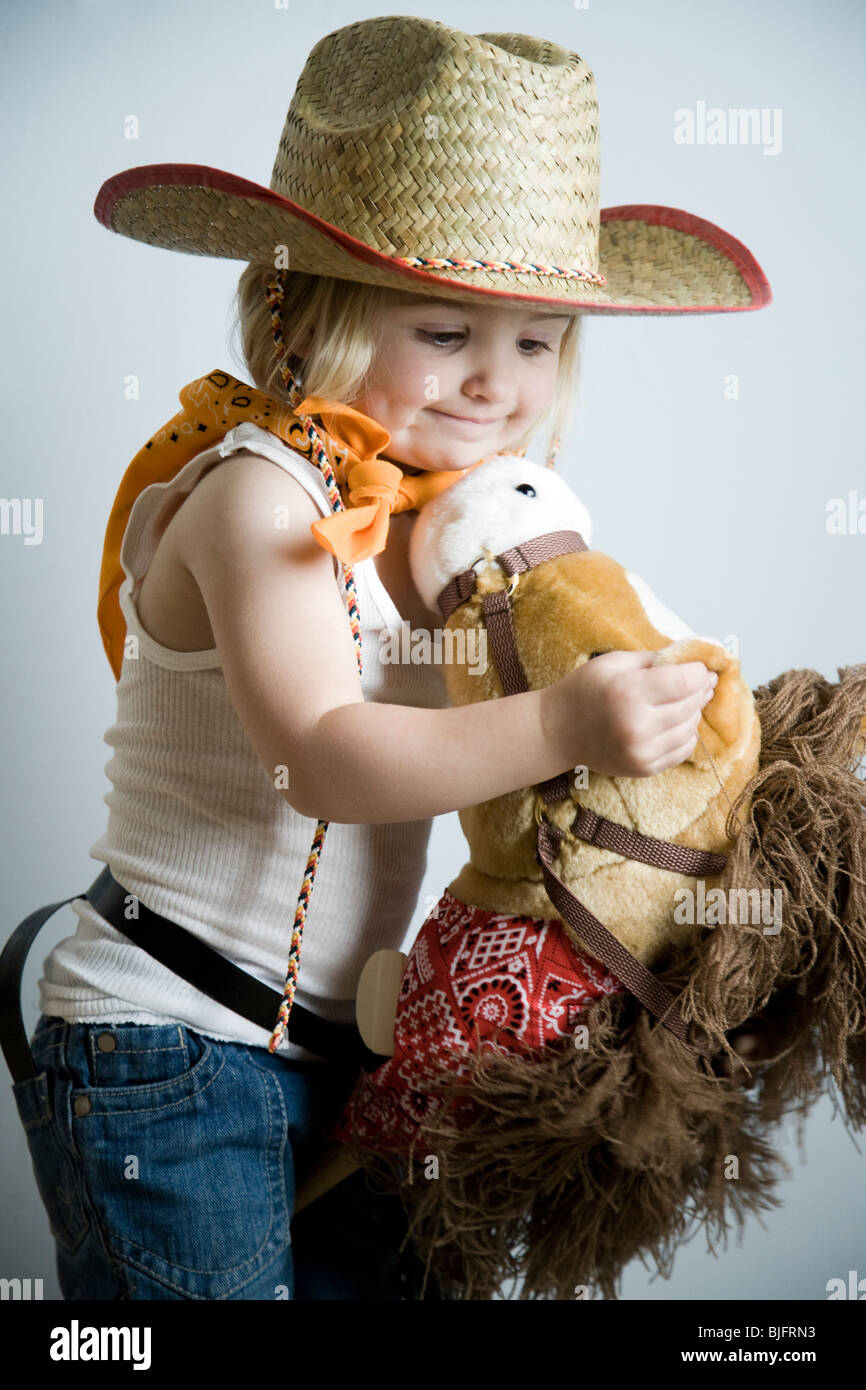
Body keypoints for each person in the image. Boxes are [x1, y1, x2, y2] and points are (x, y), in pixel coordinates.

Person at [17, 15, 774, 1300]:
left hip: (352, 1054)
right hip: (172, 1048)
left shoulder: (456, 521)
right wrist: (573, 724)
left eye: (532, 341)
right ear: (300, 312)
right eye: (441, 332)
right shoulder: (255, 496)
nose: (493, 382)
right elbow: (321, 755)